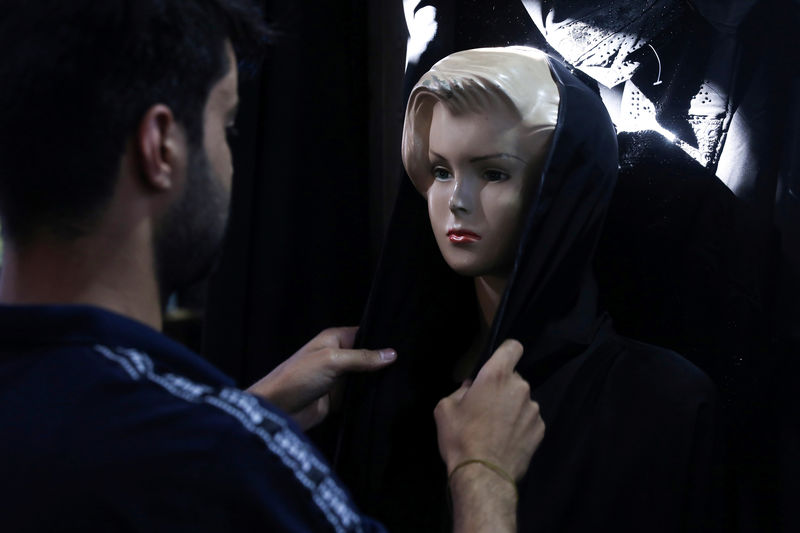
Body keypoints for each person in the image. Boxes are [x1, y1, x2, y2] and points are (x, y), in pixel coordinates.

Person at [0, 2, 544, 532]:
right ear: (160, 147)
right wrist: (483, 476)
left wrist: (243, 411)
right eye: (227, 125)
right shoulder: (215, 459)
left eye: (492, 172)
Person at [334, 47, 721, 533]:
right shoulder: (394, 381)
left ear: (561, 188)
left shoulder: (662, 403)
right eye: (440, 171)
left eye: (493, 172)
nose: (456, 201)